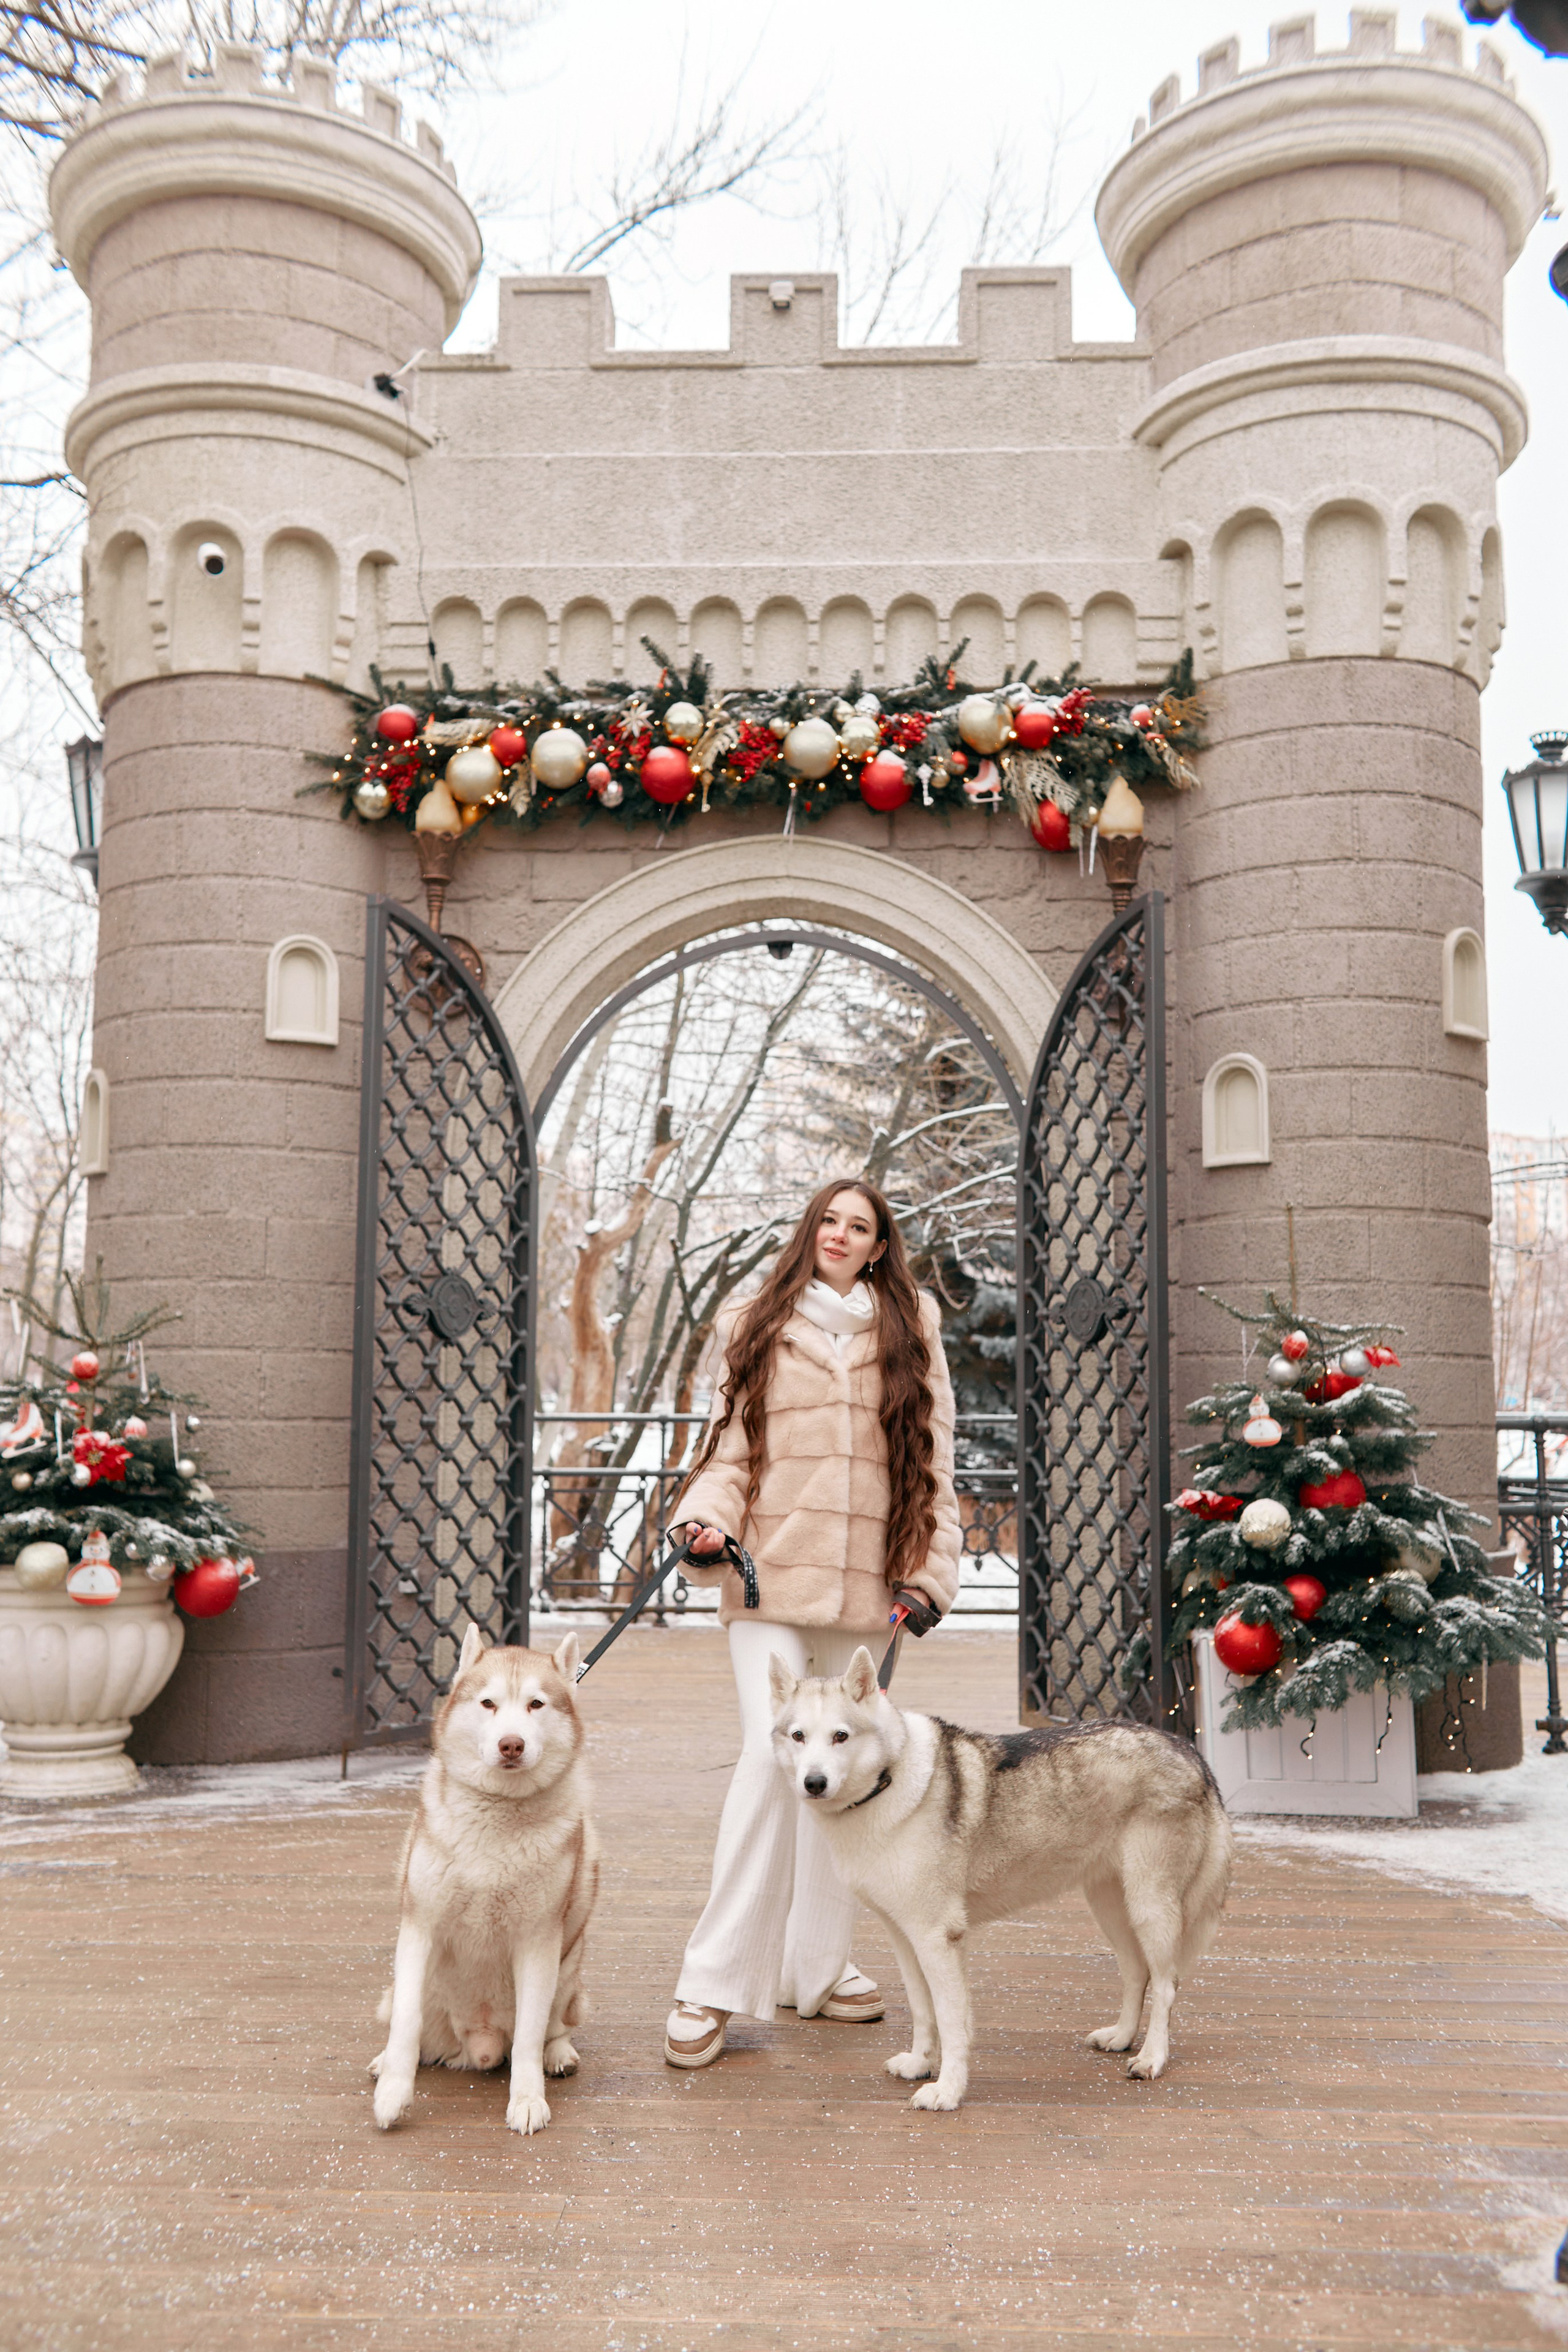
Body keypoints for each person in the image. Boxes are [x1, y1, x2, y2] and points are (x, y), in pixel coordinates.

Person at [662, 1178, 962, 2069]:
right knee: (772, 1756)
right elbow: (726, 1449)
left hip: (871, 1591)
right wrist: (701, 1524)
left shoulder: (912, 1334)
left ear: (879, 1247)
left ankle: (818, 1971)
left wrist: (927, 1579)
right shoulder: (753, 1320)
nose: (839, 1233)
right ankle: (710, 1982)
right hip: (767, 1580)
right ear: (811, 1231)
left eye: (858, 1226)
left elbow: (934, 1466)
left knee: (853, 1765)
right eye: (828, 1220)